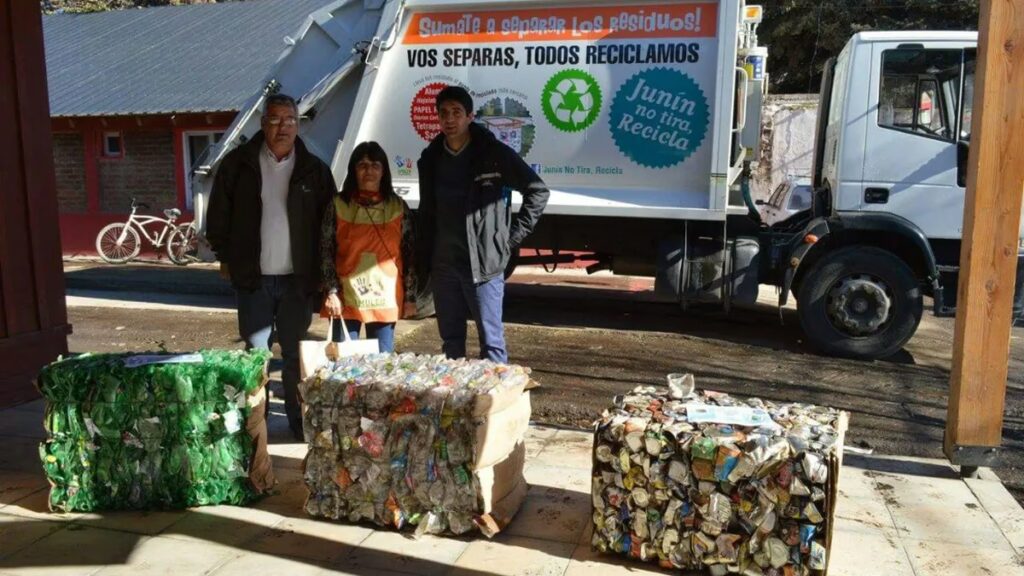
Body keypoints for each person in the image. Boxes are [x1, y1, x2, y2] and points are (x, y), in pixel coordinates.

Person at [206, 93, 335, 440]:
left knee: (294, 355)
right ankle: (255, 425)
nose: (283, 127)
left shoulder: (314, 170)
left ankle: (297, 420)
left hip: (297, 281)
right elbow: (218, 215)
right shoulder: (238, 165)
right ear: (263, 124)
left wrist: (325, 276)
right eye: (275, 120)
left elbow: (329, 226)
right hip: (253, 279)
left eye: (290, 120)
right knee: (255, 356)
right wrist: (225, 256)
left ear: (298, 125)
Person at [416, 85, 549, 363]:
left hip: (483, 265)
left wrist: (509, 239)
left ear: (470, 116)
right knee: (451, 344)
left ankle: (495, 392)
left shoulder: (493, 154)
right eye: (443, 113)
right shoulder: (430, 159)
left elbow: (538, 191)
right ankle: (455, 391)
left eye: (457, 112)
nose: (450, 119)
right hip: (444, 267)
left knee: (492, 344)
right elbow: (427, 212)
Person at [320, 141, 417, 350]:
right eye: (362, 165)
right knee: (344, 363)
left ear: (384, 171)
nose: (369, 171)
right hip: (344, 297)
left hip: (386, 298)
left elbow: (409, 255)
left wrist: (410, 298)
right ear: (353, 170)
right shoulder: (338, 205)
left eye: (375, 165)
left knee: (382, 364)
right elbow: (326, 251)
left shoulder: (398, 207)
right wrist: (331, 292)